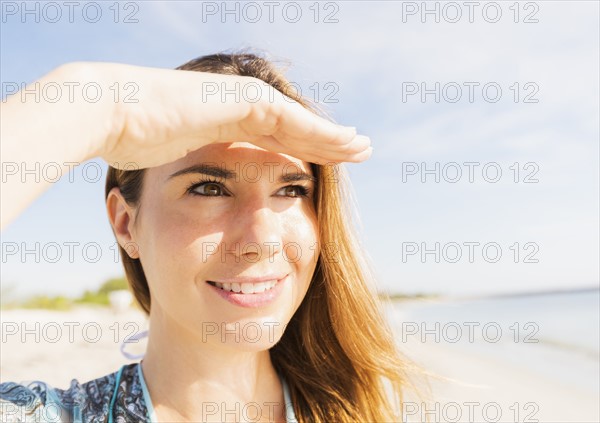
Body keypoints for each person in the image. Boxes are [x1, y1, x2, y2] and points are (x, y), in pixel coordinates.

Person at [0, 53, 417, 422]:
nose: (263, 240)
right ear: (126, 223)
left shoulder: (365, 413)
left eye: (291, 190)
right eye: (209, 189)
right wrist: (100, 104)